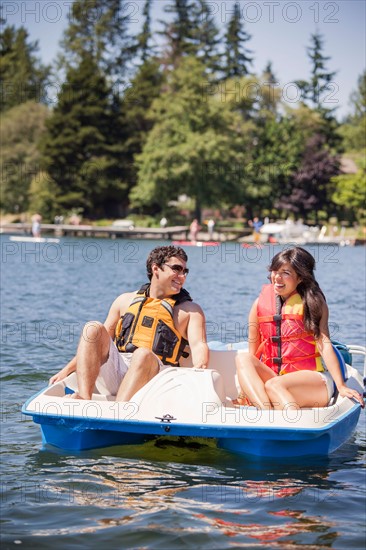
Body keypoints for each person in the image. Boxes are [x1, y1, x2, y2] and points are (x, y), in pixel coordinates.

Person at [50, 245, 209, 401]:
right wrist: (66, 371)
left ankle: (119, 411)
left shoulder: (190, 311)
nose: (182, 276)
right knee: (92, 329)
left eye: (184, 271)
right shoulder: (125, 301)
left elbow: (199, 345)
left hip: (156, 378)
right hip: (119, 369)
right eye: (176, 269)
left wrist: (200, 370)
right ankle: (84, 398)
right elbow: (95, 345)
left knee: (142, 354)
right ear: (156, 269)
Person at [235, 247, 364, 410]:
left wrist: (341, 385)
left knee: (274, 386)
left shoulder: (313, 304)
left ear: (301, 277)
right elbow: (254, 353)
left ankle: (290, 425)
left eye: (285, 273)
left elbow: (324, 343)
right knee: (243, 359)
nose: (277, 277)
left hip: (313, 381)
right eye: (275, 271)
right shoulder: (258, 305)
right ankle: (266, 415)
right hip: (276, 377)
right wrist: (244, 391)